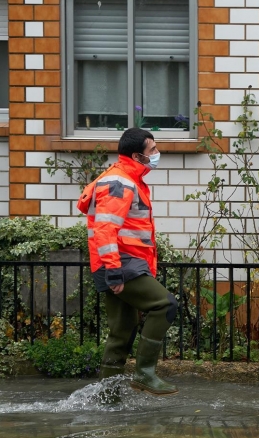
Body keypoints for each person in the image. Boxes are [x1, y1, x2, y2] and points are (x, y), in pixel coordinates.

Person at [78, 128, 178, 398]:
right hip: (121, 264)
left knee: (122, 332)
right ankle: (144, 373)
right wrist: (114, 273)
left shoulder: (124, 178)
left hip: (117, 263)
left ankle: (107, 398)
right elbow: (105, 231)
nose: (157, 154)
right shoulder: (120, 182)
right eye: (152, 150)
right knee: (165, 304)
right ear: (137, 155)